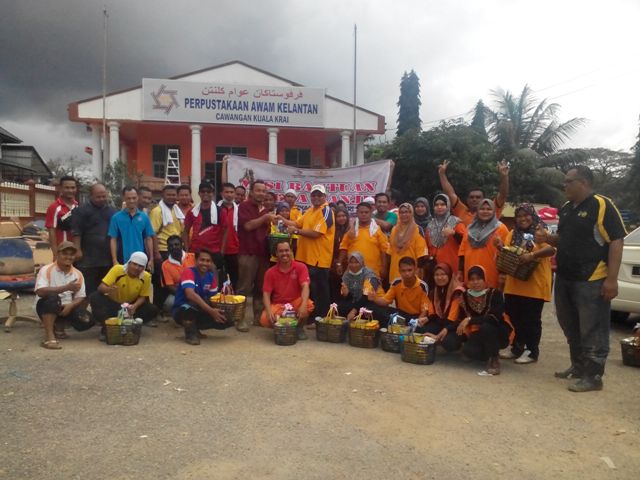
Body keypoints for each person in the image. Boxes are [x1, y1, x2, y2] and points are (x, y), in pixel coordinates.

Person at [537, 166, 626, 392]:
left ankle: (594, 376)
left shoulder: (602, 205)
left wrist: (612, 279)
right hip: (565, 276)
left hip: (592, 278)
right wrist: (547, 238)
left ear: (584, 182)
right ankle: (578, 367)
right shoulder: (567, 208)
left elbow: (616, 241)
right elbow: (563, 239)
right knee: (569, 324)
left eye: (569, 181)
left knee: (592, 328)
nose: (564, 185)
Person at [500, 203, 556, 364]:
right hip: (514, 284)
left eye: (526, 215)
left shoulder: (541, 232)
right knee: (514, 317)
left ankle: (532, 351)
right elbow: (508, 251)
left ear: (533, 216)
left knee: (531, 320)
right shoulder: (512, 233)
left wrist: (532, 256)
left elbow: (552, 250)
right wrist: (500, 248)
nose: (522, 219)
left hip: (535, 284)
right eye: (519, 216)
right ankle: (516, 347)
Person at [280, 184, 335, 327]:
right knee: (309, 290)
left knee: (320, 292)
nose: (316, 198)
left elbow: (316, 233)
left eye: (319, 195)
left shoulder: (326, 211)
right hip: (306, 258)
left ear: (325, 196)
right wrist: (281, 219)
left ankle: (321, 319)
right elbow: (296, 223)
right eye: (314, 195)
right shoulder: (310, 210)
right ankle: (311, 318)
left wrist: (296, 231)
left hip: (318, 259)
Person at [35, 241, 94, 350]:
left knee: (87, 320)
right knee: (53, 298)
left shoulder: (78, 274)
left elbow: (81, 296)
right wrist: (66, 288)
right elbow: (40, 291)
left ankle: (59, 326)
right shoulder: (46, 269)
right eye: (65, 253)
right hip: (46, 306)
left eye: (71, 254)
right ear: (58, 254)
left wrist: (70, 305)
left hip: (66, 307)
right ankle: (49, 337)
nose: (68, 257)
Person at [457, 266, 514, 375]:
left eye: (479, 279)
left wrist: (470, 319)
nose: (475, 282)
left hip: (498, 331)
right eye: (472, 279)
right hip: (478, 333)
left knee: (486, 326)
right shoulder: (465, 296)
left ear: (485, 279)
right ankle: (487, 353)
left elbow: (494, 317)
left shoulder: (495, 294)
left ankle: (494, 359)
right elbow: (461, 319)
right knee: (468, 351)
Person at [236, 180, 276, 331]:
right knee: (244, 288)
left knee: (261, 287)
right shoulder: (244, 206)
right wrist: (265, 219)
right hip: (247, 253)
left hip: (263, 254)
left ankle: (258, 318)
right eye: (258, 190)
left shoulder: (266, 210)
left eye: (263, 191)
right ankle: (239, 319)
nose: (261, 193)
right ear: (251, 192)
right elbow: (247, 226)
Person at [89, 251, 159, 332]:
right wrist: (108, 289)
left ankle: (130, 324)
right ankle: (107, 327)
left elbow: (143, 297)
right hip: (113, 304)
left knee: (152, 309)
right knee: (95, 297)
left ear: (143, 268)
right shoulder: (117, 269)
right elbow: (100, 288)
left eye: (140, 266)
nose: (137, 268)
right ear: (129, 263)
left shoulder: (146, 277)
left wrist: (134, 306)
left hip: (129, 306)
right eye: (134, 264)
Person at [173, 248, 231, 345]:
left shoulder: (210, 276)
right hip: (182, 309)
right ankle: (190, 333)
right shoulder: (188, 272)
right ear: (196, 260)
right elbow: (190, 294)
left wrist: (224, 301)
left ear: (211, 263)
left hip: (199, 308)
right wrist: (211, 311)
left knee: (227, 319)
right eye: (202, 260)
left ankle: (195, 328)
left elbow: (213, 298)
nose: (205, 263)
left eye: (208, 261)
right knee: (190, 308)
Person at [260, 239, 314, 339]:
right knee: (264, 319)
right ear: (276, 253)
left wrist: (303, 305)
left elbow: (305, 286)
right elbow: (266, 294)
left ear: (291, 251)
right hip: (279, 305)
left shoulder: (301, 267)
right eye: (281, 251)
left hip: (295, 303)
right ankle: (280, 328)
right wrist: (269, 311)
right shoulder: (270, 272)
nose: (284, 253)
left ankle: (299, 328)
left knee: (308, 305)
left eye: (287, 250)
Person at [71, 182, 117, 295]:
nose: (102, 199)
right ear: (91, 196)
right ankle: (84, 306)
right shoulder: (81, 211)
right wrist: (77, 249)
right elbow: (76, 232)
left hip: (106, 258)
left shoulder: (113, 212)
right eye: (98, 197)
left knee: (105, 290)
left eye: (104, 196)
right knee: (86, 290)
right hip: (88, 258)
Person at [438, 160, 509, 226]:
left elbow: (502, 194)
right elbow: (450, 193)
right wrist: (442, 174)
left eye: (478, 197)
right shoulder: (461, 211)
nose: (474, 199)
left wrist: (504, 176)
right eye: (471, 197)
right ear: (467, 200)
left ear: (484, 199)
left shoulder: (491, 210)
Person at [458, 199, 509, 289]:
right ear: (477, 211)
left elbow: (506, 255)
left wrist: (503, 274)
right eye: (482, 209)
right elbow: (462, 253)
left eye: (489, 209)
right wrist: (460, 271)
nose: (485, 211)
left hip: (491, 275)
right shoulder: (469, 229)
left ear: (494, 211)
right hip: (471, 275)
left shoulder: (501, 228)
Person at [414, 263, 465, 352]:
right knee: (419, 329)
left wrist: (439, 334)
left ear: (449, 275)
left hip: (456, 325)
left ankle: (441, 341)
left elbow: (453, 318)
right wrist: (427, 318)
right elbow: (434, 314)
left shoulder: (457, 292)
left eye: (443, 274)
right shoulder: (434, 291)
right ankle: (436, 339)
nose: (439, 277)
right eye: (436, 275)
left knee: (449, 342)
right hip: (442, 322)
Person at [368, 256, 431, 328]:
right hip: (400, 315)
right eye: (403, 271)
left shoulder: (422, 286)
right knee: (372, 308)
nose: (407, 273)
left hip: (416, 316)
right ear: (399, 271)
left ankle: (403, 326)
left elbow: (425, 310)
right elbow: (385, 301)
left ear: (415, 269)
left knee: (427, 326)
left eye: (409, 270)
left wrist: (417, 322)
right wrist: (374, 298)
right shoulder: (396, 283)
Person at [182, 182, 227, 283]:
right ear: (199, 193)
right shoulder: (192, 212)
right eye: (203, 191)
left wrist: (222, 250)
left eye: (208, 191)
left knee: (214, 278)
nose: (206, 194)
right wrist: (187, 250)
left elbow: (225, 231)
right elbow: (185, 231)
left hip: (214, 251)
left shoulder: (220, 211)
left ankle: (214, 292)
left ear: (213, 193)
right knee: (195, 277)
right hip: (195, 251)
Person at [149, 185, 184, 310]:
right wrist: (156, 253)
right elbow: (152, 233)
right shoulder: (157, 211)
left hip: (176, 250)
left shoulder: (176, 210)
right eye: (168, 195)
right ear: (163, 195)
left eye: (173, 195)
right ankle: (157, 310)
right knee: (160, 282)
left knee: (173, 280)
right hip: (163, 250)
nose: (171, 197)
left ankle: (171, 307)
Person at [339, 202, 389, 280]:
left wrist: (384, 267)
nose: (363, 214)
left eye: (366, 212)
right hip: (353, 272)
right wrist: (339, 263)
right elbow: (343, 248)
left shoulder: (377, 230)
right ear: (357, 213)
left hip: (373, 273)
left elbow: (383, 251)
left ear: (371, 213)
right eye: (361, 212)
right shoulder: (351, 231)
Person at [107, 186, 154, 270]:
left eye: (134, 198)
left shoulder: (144, 217)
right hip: (122, 259)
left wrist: (151, 259)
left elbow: (149, 238)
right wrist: (114, 260)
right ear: (123, 198)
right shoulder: (116, 217)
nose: (131, 201)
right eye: (128, 198)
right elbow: (113, 239)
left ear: (138, 197)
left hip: (141, 259)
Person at [425, 193, 466, 275]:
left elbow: (465, 243)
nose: (439, 207)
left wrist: (454, 233)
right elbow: (427, 247)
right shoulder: (430, 226)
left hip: (453, 266)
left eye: (443, 204)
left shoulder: (456, 223)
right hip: (435, 269)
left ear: (448, 206)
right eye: (436, 205)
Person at [338, 252, 386, 322]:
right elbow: (349, 296)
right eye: (351, 262)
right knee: (341, 307)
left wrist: (353, 311)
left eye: (356, 262)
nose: (353, 265)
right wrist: (347, 294)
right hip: (358, 302)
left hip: (374, 302)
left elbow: (366, 296)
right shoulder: (347, 275)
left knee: (367, 311)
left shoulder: (369, 275)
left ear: (362, 263)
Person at [388, 203, 428, 284]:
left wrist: (418, 271)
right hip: (395, 271)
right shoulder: (394, 230)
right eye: (401, 212)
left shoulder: (417, 229)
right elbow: (390, 252)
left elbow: (422, 254)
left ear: (411, 213)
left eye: (407, 212)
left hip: (411, 272)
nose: (404, 215)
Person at [45, 175, 78, 255]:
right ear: (60, 188)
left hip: (74, 251)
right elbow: (51, 231)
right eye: (67, 188)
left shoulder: (77, 206)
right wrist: (55, 253)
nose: (70, 190)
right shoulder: (54, 207)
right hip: (62, 251)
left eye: (73, 188)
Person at [161, 235, 195, 309]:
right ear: (167, 248)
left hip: (196, 290)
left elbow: (212, 268)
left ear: (182, 245)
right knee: (169, 303)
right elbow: (170, 286)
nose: (174, 247)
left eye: (176, 244)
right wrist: (186, 295)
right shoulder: (165, 265)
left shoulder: (193, 257)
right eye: (171, 246)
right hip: (180, 292)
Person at [218, 182, 240, 288]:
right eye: (226, 192)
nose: (229, 195)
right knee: (220, 278)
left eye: (232, 192)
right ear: (221, 193)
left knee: (234, 278)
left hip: (235, 249)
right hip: (218, 249)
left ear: (235, 194)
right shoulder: (215, 209)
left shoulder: (239, 210)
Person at [330, 205, 351, 302]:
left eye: (343, 216)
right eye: (338, 216)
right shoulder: (332, 230)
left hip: (348, 263)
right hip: (334, 263)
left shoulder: (351, 229)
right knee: (334, 286)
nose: (341, 218)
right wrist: (337, 262)